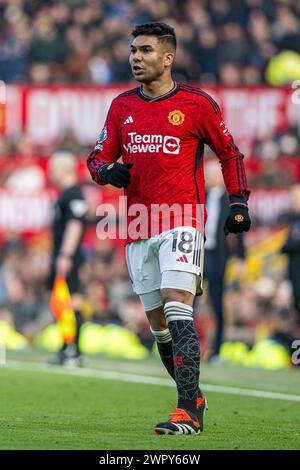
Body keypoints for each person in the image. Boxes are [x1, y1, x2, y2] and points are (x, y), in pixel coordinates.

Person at [87, 22, 251, 435]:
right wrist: (109, 171)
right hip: (138, 224)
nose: (135, 57)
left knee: (178, 304)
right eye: (132, 50)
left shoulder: (197, 104)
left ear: (167, 57)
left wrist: (237, 202)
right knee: (159, 328)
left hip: (183, 218)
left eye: (144, 50)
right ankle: (192, 392)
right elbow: (96, 159)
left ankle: (187, 413)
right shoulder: (122, 106)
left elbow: (230, 154)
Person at [204, 159, 246, 362]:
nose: (208, 177)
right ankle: (184, 348)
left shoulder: (230, 201)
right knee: (187, 302)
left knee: (217, 304)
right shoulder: (199, 196)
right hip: (197, 253)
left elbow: (239, 232)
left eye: (212, 173)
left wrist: (240, 258)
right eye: (207, 173)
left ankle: (217, 351)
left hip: (217, 256)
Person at [48, 151, 88, 365]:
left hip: (68, 256)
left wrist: (66, 254)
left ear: (63, 169)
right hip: (66, 255)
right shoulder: (68, 194)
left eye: (53, 168)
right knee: (66, 303)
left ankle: (71, 350)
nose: (50, 172)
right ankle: (69, 348)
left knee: (70, 303)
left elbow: (75, 226)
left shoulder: (74, 195)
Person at [281, 183, 300, 321]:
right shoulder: (294, 220)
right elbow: (287, 246)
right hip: (294, 273)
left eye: (295, 197)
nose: (292, 201)